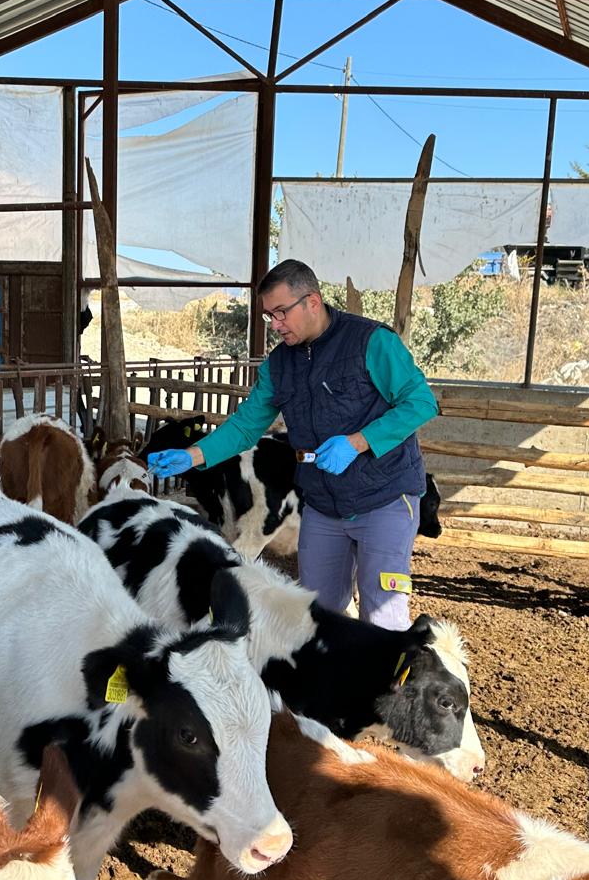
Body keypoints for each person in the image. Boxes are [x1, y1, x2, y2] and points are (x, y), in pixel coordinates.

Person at [148, 259, 437, 629]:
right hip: (321, 502)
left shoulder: (370, 342)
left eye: (281, 313)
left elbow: (420, 402)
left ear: (312, 302)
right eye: (269, 316)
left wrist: (358, 442)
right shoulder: (279, 364)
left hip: (384, 497)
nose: (275, 325)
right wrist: (191, 455)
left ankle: (385, 686)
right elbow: (245, 426)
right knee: (316, 617)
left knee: (383, 615)